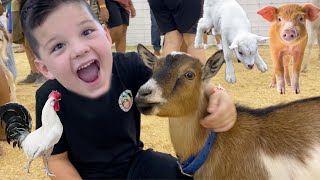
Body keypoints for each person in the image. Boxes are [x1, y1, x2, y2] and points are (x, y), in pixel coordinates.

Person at [20, 0, 236, 179]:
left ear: (105, 34)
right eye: (58, 46)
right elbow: (57, 160)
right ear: (44, 67)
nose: (79, 49)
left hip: (134, 162)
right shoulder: (48, 97)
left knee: (180, 173)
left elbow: (174, 83)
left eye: (86, 31)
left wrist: (216, 94)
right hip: (86, 175)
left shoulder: (128, 66)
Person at [11, 0, 46, 85]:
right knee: (23, 41)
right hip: (16, 5)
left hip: (32, 5)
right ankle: (35, 72)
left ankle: (43, 73)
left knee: (34, 41)